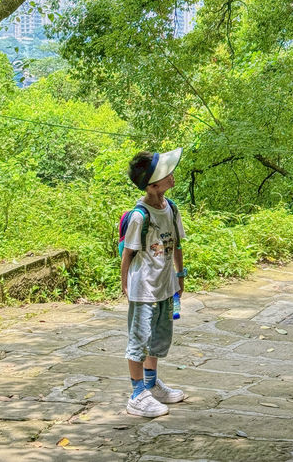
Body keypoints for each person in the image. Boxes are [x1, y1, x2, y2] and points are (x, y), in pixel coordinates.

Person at [121, 147, 187, 418]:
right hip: (144, 288)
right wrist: (125, 285)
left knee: (158, 338)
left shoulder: (170, 208)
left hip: (164, 286)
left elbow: (178, 243)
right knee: (139, 339)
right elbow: (128, 252)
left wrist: (180, 275)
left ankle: (151, 385)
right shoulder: (140, 216)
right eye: (165, 173)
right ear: (152, 184)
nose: (172, 175)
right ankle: (137, 395)